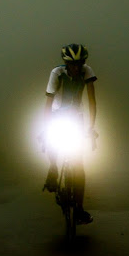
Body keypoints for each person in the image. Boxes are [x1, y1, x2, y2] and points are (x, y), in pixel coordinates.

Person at [42, 43, 97, 225]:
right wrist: (45, 127)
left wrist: (91, 127)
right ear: (66, 63)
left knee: (79, 165)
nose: (75, 68)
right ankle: (53, 168)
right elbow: (48, 102)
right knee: (51, 140)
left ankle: (79, 209)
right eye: (72, 64)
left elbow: (92, 101)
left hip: (76, 117)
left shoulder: (87, 71)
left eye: (79, 64)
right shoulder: (57, 73)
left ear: (83, 63)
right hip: (57, 115)